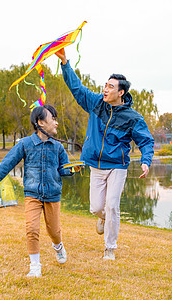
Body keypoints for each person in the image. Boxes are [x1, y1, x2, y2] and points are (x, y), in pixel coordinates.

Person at [55, 49, 155, 260]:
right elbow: (76, 88)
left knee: (112, 205)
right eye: (105, 85)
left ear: (121, 93)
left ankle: (109, 248)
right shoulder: (96, 103)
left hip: (117, 165)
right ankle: (102, 218)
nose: (105, 89)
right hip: (95, 165)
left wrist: (146, 161)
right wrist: (65, 63)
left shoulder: (132, 117)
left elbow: (146, 140)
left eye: (110, 86)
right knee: (96, 208)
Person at [0, 105, 77, 278]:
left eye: (56, 119)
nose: (56, 123)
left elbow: (63, 170)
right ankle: (35, 266)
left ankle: (58, 246)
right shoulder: (25, 144)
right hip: (32, 194)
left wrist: (71, 170)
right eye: (52, 119)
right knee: (32, 228)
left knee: (54, 231)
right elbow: (7, 163)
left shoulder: (58, 147)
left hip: (53, 195)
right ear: (40, 122)